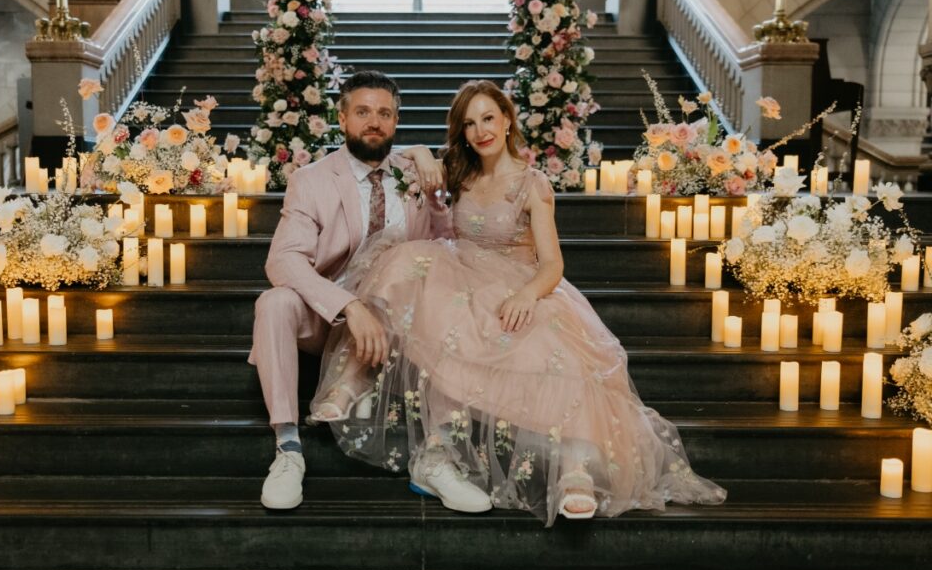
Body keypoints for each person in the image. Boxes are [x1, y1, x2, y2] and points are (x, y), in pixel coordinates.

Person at [310, 80, 727, 525]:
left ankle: (575, 471)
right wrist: (424, 153)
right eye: (469, 124)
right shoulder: (460, 170)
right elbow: (404, 156)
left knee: (561, 353)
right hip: (461, 274)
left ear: (507, 120)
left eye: (488, 118)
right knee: (403, 261)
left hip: (520, 282)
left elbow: (552, 264)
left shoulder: (532, 184)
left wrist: (528, 293)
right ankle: (356, 382)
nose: (479, 131)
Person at [250, 70, 488, 512]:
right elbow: (281, 261)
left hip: (404, 323)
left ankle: (436, 455)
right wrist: (349, 305)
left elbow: (446, 243)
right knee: (275, 301)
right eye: (362, 112)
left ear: (396, 123)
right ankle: (287, 448)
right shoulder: (313, 180)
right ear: (342, 119)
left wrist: (436, 197)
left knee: (441, 285)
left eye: (384, 114)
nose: (373, 122)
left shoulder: (415, 173)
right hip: (332, 315)